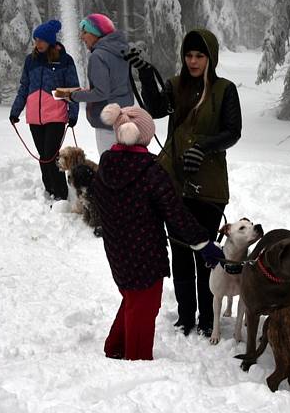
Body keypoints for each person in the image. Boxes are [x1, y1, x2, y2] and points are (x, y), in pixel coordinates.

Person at [131, 28, 242, 337]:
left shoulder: (224, 90)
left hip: (208, 185)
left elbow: (233, 131)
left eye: (199, 55)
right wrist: (145, 74)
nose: (193, 61)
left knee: (204, 252)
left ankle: (208, 317)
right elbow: (155, 109)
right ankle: (185, 316)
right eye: (189, 55)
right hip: (174, 181)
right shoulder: (176, 85)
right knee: (180, 251)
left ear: (211, 57)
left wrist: (203, 147)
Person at [92, 103, 224, 360]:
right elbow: (177, 215)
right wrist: (204, 244)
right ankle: (137, 359)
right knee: (144, 305)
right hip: (145, 255)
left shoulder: (106, 166)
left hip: (117, 252)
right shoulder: (151, 171)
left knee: (132, 298)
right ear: (143, 136)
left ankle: (115, 347)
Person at [10, 19, 79, 201]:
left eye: (41, 40)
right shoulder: (30, 60)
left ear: (49, 41)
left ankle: (61, 194)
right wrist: (15, 111)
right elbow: (24, 87)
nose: (37, 43)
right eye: (35, 40)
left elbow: (73, 89)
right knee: (43, 156)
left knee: (51, 155)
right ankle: (49, 189)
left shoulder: (64, 60)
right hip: (35, 117)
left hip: (56, 115)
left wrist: (73, 114)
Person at [67, 13, 134, 155]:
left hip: (107, 120)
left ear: (96, 33)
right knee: (125, 166)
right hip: (126, 118)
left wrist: (73, 96)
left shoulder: (98, 55)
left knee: (108, 166)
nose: (81, 37)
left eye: (85, 32)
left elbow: (101, 92)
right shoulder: (120, 51)